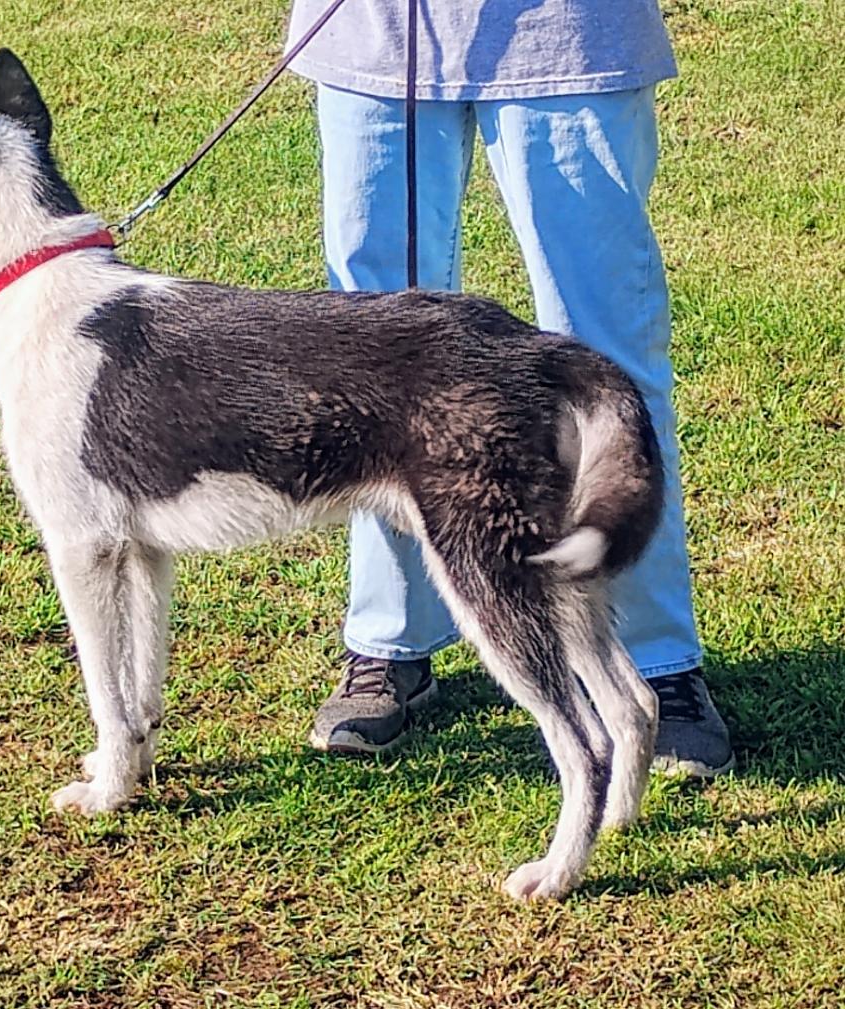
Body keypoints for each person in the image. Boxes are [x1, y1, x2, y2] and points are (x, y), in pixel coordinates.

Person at [285, 0, 734, 777]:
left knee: (605, 352)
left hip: (567, 31)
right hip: (374, 31)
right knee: (374, 356)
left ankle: (651, 656)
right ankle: (394, 641)